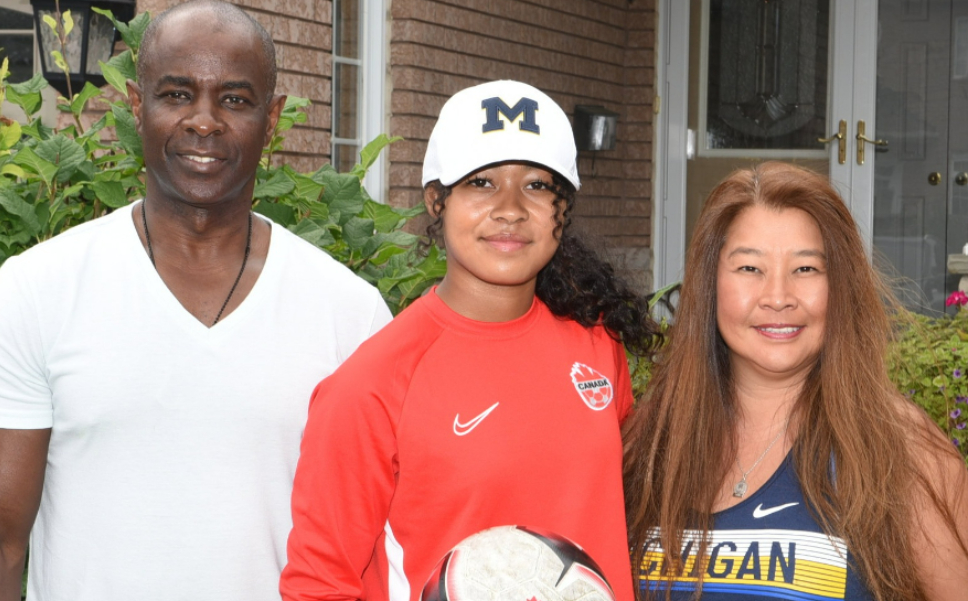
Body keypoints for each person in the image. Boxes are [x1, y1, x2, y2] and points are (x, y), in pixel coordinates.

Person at [0, 2, 391, 600]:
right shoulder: (38, 291)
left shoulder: (351, 314)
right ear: (137, 104)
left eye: (235, 99)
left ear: (272, 117)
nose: (203, 121)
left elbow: (378, 542)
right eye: (177, 94)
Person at [279, 80, 661, 601]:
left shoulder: (596, 346)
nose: (509, 208)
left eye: (536, 185)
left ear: (563, 208)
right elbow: (319, 584)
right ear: (436, 200)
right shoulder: (372, 385)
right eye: (481, 183)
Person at [622, 162, 968, 601]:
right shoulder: (649, 442)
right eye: (750, 268)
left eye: (806, 270)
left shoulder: (901, 448)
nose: (779, 297)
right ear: (710, 284)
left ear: (839, 285)